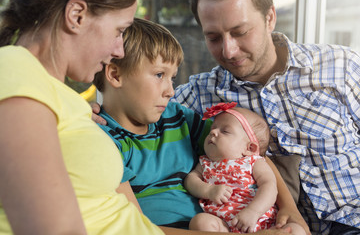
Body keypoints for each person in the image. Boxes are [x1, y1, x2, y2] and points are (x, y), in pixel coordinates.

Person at [170, 0, 360, 234]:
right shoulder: (199, 93)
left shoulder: (342, 67)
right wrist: (106, 112)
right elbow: (140, 106)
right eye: (214, 38)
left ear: (270, 18)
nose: (228, 51)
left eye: (240, 32)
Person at [92, 17, 293, 235]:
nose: (170, 91)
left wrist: (290, 209)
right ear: (115, 74)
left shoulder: (177, 118)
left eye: (172, 78)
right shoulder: (102, 139)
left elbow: (249, 151)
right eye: (159, 75)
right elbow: (136, 228)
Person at [0, 0, 167, 234]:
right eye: (119, 31)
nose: (120, 51)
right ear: (76, 15)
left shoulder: (59, 97)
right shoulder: (15, 68)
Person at [185, 102, 305, 235]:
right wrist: (208, 190)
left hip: (261, 222)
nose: (213, 132)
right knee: (200, 222)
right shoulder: (205, 162)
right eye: (212, 129)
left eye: (225, 131)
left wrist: (254, 211)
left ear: (249, 148)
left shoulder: (254, 162)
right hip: (223, 225)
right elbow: (191, 180)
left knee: (296, 230)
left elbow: (269, 186)